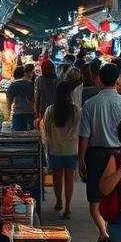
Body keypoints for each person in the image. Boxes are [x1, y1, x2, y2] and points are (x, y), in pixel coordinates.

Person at [78, 63, 121, 242]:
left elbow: (84, 135)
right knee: (118, 196)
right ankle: (113, 234)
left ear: (99, 79)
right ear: (117, 80)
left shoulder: (90, 104)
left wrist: (81, 159)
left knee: (95, 198)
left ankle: (104, 233)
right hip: (120, 154)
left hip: (96, 155)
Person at [42, 81, 80, 217]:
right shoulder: (76, 110)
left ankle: (59, 201)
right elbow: (79, 130)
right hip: (71, 149)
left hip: (55, 149)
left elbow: (46, 130)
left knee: (57, 178)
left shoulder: (50, 110)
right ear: (69, 94)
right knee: (69, 179)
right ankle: (68, 207)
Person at [6, 66, 35, 131]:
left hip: (18, 113)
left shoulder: (13, 85)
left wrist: (9, 112)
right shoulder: (31, 84)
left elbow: (9, 99)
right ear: (24, 73)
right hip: (30, 112)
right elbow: (34, 99)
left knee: (18, 134)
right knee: (30, 134)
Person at [33, 59, 59, 123]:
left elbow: (37, 97)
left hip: (43, 109)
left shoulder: (39, 80)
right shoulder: (58, 80)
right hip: (56, 109)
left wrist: (36, 112)